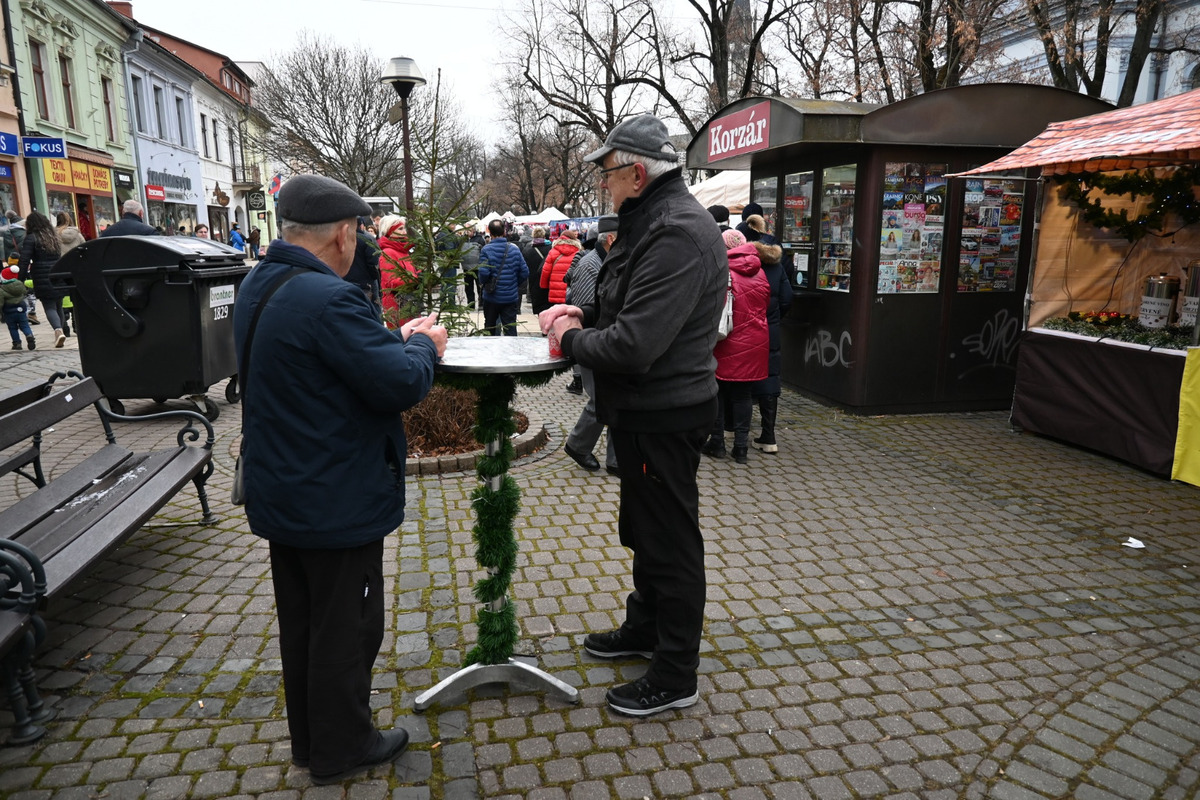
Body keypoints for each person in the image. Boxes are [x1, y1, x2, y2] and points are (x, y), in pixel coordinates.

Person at [233, 174, 446, 786]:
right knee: (347, 629)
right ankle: (344, 747)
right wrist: (425, 347)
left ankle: (312, 741)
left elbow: (325, 361)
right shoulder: (330, 299)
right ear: (344, 234)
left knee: (304, 625)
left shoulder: (261, 283)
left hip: (284, 489)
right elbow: (399, 383)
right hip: (333, 497)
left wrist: (392, 339)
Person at [540, 114, 726, 717]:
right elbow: (628, 313)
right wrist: (584, 316)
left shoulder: (675, 232)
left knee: (669, 543)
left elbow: (635, 345)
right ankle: (645, 628)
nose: (603, 182)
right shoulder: (653, 221)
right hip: (646, 410)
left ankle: (675, 674)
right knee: (645, 534)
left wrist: (569, 338)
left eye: (608, 172)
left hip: (664, 412)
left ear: (637, 174)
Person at [702, 229, 769, 464]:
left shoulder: (722, 271)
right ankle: (741, 448)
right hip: (754, 341)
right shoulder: (760, 271)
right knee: (743, 396)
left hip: (726, 340)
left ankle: (717, 442)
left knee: (718, 393)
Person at [562, 215, 619, 475]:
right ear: (611, 239)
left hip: (608, 342)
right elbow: (588, 310)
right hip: (594, 343)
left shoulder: (609, 261)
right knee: (601, 399)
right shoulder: (590, 264)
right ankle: (578, 445)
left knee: (616, 399)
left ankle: (616, 459)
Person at [749, 235, 792, 453]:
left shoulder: (748, 265)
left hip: (748, 329)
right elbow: (787, 298)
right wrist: (774, 318)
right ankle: (769, 436)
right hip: (771, 330)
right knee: (770, 377)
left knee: (741, 376)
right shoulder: (778, 268)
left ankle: (733, 428)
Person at [18, 210, 67, 347]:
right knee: (58, 305)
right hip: (57, 272)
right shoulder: (53, 236)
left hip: (41, 274)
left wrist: (20, 278)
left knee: (49, 306)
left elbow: (24, 260)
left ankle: (58, 331)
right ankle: (61, 331)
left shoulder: (31, 238)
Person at [477, 218, 528, 336]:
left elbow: (483, 273)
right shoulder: (514, 249)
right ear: (504, 232)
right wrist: (514, 283)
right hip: (510, 297)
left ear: (490, 232)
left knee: (490, 328)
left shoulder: (486, 250)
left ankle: (491, 347)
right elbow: (525, 272)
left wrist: (484, 283)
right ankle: (511, 347)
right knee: (510, 328)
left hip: (491, 297)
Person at [376, 213, 419, 329]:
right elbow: (391, 282)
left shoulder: (403, 251)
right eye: (400, 229)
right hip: (396, 304)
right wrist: (415, 279)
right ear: (390, 231)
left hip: (409, 301)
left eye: (404, 228)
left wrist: (421, 275)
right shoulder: (388, 252)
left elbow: (409, 273)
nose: (404, 232)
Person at [344, 216, 382, 320]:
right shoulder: (366, 239)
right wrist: (375, 277)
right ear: (361, 225)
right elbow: (374, 262)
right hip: (366, 283)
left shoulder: (342, 239)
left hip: (346, 281)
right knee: (373, 312)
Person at [539, 228, 579, 308]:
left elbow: (545, 271)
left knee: (557, 313)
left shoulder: (553, 251)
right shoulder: (578, 252)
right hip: (572, 291)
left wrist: (544, 286)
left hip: (555, 291)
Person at [1, 264, 35, 350]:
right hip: (21, 309)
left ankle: (17, 343)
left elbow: (0, 303)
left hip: (9, 311)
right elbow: (25, 292)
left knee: (13, 328)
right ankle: (29, 335)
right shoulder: (20, 284)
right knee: (25, 325)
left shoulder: (1, 289)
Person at [522, 226, 553, 315]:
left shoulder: (528, 249)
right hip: (548, 279)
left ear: (533, 236)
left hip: (534, 281)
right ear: (544, 235)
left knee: (539, 307)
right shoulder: (551, 248)